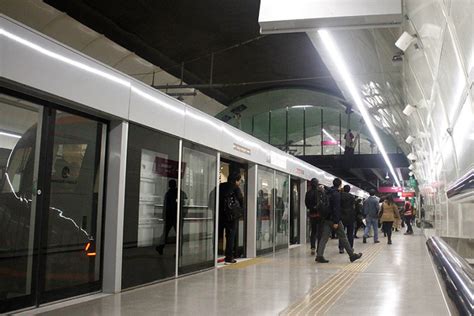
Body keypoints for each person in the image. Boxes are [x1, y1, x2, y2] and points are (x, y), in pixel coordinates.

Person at [316, 178, 362, 263]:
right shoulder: (336, 194)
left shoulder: (327, 192)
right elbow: (336, 208)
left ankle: (319, 255)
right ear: (340, 185)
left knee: (324, 238)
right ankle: (352, 255)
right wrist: (336, 221)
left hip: (327, 218)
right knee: (343, 237)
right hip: (334, 219)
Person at [156, 179, 187, 255]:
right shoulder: (181, 193)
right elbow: (185, 205)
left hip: (170, 217)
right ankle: (179, 251)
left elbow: (166, 207)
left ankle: (161, 246)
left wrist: (164, 216)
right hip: (178, 217)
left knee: (165, 233)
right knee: (179, 234)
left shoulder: (168, 194)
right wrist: (183, 215)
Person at [219, 172, 244, 264]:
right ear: (236, 180)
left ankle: (213, 254)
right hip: (232, 216)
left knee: (218, 235)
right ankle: (229, 257)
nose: (240, 183)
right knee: (230, 236)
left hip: (220, 215)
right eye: (239, 180)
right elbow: (241, 200)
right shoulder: (236, 188)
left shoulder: (220, 186)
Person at [305, 178, 322, 255]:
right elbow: (321, 203)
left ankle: (312, 248)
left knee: (313, 231)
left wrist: (311, 208)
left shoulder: (308, 193)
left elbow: (306, 203)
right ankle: (319, 248)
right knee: (319, 232)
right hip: (319, 214)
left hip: (312, 214)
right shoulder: (319, 192)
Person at [339, 185, 355, 253]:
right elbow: (353, 206)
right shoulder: (352, 197)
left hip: (342, 216)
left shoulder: (340, 195)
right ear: (349, 190)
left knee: (341, 233)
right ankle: (350, 247)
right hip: (350, 216)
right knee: (350, 233)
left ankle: (341, 248)